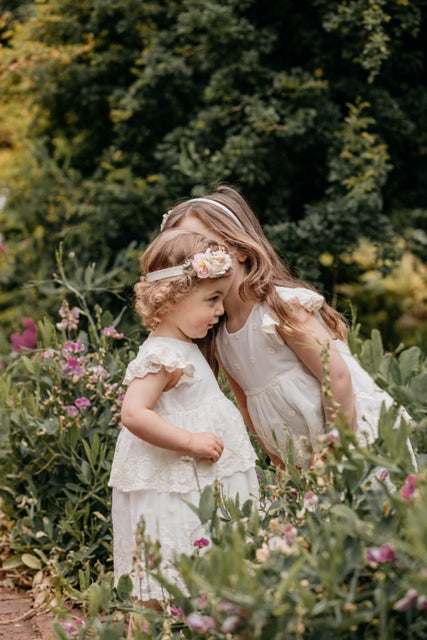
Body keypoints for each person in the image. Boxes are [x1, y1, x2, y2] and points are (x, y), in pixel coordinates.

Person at [161, 185, 417, 469]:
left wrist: (336, 451)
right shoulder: (218, 333)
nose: (197, 263)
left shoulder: (279, 308)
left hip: (355, 437)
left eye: (204, 246)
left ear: (241, 249)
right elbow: (247, 405)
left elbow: (337, 376)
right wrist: (281, 462)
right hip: (306, 460)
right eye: (186, 253)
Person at [108, 228, 259, 604]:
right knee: (164, 578)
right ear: (169, 298)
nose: (220, 311)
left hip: (198, 481)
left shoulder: (184, 347)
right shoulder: (162, 355)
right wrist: (190, 441)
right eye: (211, 299)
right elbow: (133, 413)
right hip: (172, 483)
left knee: (204, 571)